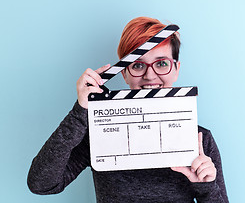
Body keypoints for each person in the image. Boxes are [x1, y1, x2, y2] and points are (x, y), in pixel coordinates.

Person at [27, 17, 229, 203]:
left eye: (161, 63)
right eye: (138, 65)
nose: (150, 75)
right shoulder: (99, 134)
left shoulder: (200, 140)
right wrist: (80, 111)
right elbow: (42, 184)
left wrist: (206, 187)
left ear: (176, 68)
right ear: (124, 74)